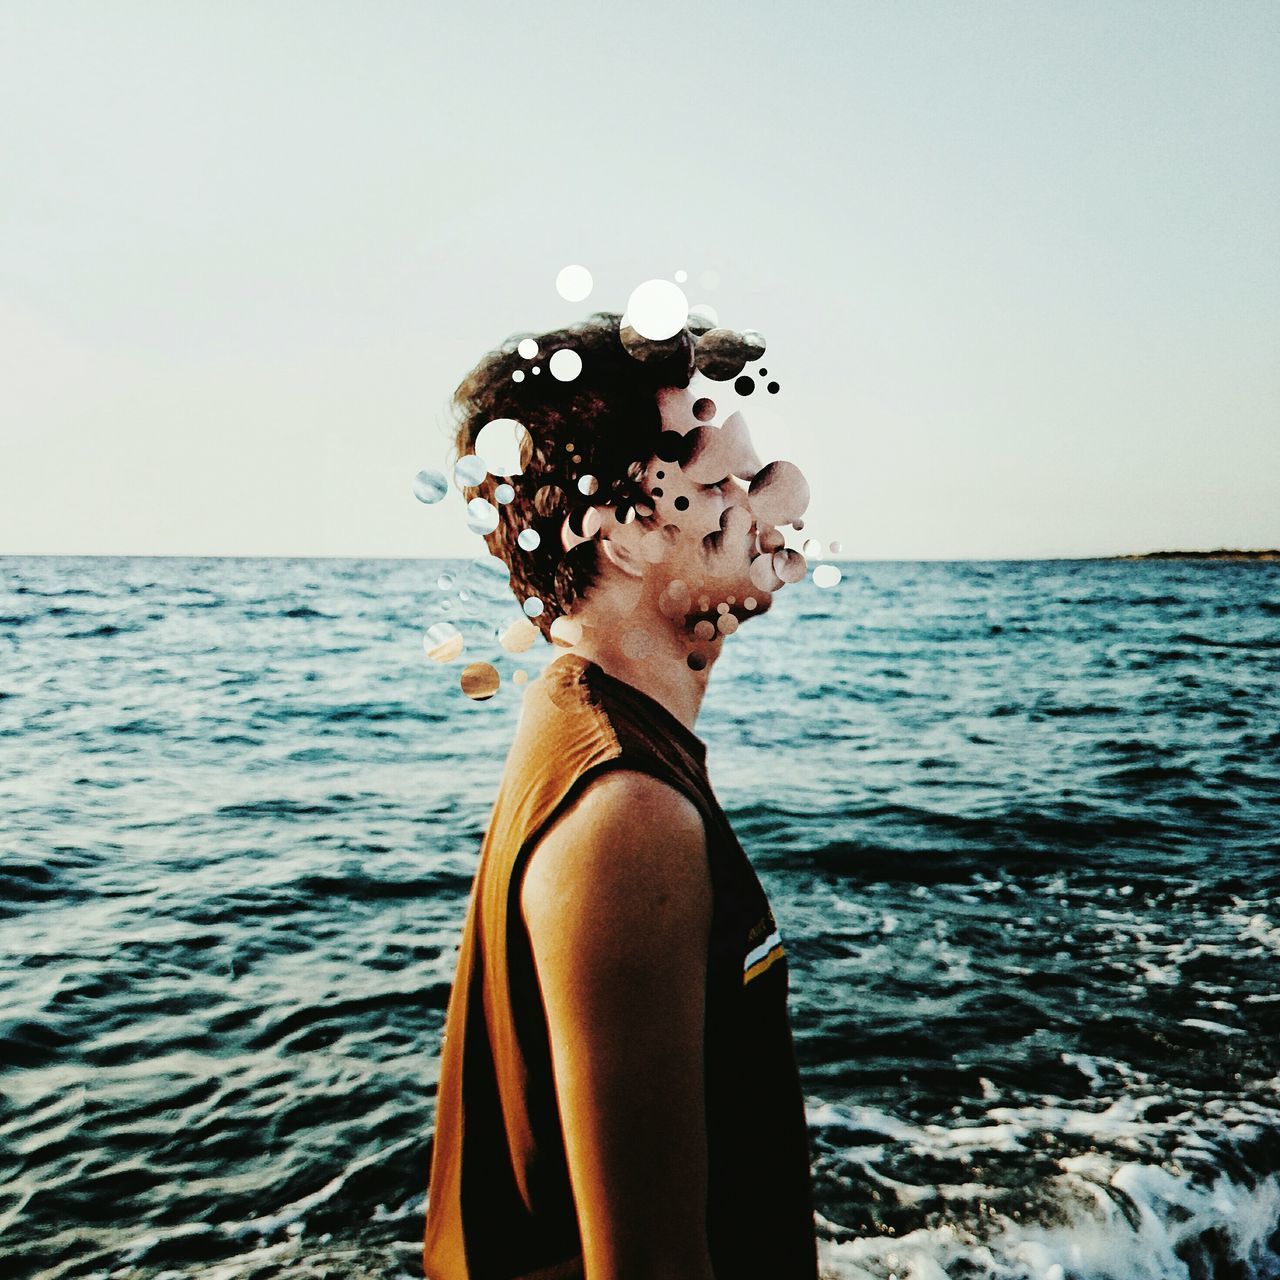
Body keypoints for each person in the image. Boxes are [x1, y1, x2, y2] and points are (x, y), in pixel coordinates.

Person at [422, 311, 819, 1279]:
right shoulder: (626, 813)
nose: (773, 502)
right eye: (721, 483)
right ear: (632, 532)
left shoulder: (601, 723)